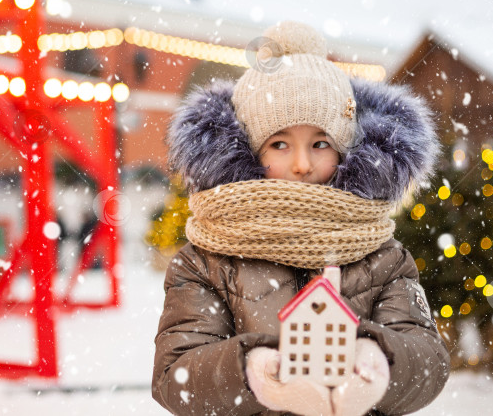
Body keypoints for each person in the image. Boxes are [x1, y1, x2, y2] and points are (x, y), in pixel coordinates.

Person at [152, 22, 450, 415]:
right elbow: (176, 376)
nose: (302, 164)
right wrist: (253, 372)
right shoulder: (205, 261)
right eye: (279, 143)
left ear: (346, 150)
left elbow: (428, 359)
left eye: (320, 143)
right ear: (248, 151)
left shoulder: (382, 256)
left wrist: (378, 363)